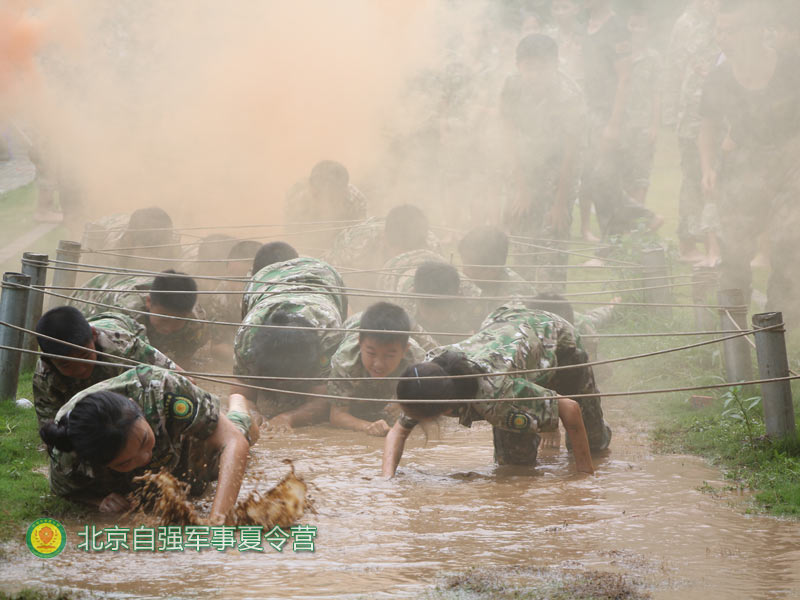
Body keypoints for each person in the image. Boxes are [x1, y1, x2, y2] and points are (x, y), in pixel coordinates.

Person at [382, 304, 607, 477]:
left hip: (556, 338)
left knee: (594, 442)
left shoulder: (496, 396)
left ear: (447, 409)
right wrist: (386, 481)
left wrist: (584, 479)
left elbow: (570, 408)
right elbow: (398, 431)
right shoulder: (426, 379)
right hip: (507, 331)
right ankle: (543, 412)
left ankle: (553, 416)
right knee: (515, 465)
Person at [39, 365, 253, 525]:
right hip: (154, 460)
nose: (144, 458)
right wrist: (99, 501)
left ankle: (238, 404)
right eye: (126, 461)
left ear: (136, 407)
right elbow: (64, 490)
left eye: (143, 441)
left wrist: (217, 522)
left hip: (182, 438)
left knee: (244, 433)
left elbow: (233, 441)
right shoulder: (67, 456)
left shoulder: (160, 388)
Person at [698, 0, 800, 322]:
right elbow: (708, 125)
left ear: (757, 31)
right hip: (741, 169)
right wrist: (707, 168)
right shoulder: (718, 78)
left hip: (790, 166)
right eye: (719, 30)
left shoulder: (790, 66)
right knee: (734, 251)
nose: (723, 37)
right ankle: (732, 328)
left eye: (732, 30)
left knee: (788, 244)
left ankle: (784, 323)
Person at [500, 34, 585, 282]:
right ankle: (522, 299)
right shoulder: (512, 87)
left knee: (552, 237)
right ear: (519, 66)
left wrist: (560, 203)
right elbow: (508, 138)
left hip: (558, 170)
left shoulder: (570, 95)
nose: (535, 74)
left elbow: (572, 152)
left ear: (555, 65)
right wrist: (521, 188)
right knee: (522, 239)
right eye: (529, 67)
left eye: (542, 67)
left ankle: (553, 303)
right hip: (523, 168)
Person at [233, 256, 347, 428]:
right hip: (265, 279)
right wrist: (253, 412)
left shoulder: (329, 333)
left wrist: (289, 418)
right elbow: (240, 396)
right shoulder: (247, 338)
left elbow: (323, 401)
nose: (284, 384)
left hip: (322, 275)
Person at [580, 0, 661, 238]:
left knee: (604, 178)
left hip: (609, 115)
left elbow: (624, 78)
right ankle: (643, 218)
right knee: (596, 179)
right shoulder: (587, 26)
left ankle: (613, 241)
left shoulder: (616, 28)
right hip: (591, 114)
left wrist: (613, 125)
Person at [32, 306, 178, 427]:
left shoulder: (122, 346)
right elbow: (51, 428)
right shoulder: (44, 376)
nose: (80, 369)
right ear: (49, 359)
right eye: (66, 364)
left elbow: (176, 375)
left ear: (94, 336)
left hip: (122, 325)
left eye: (84, 356)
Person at [663, 0, 721, 263]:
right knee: (693, 178)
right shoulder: (686, 23)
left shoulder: (727, 19)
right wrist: (671, 113)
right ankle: (687, 243)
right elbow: (674, 70)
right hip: (692, 115)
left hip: (724, 115)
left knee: (720, 177)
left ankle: (718, 243)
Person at [328, 302, 429, 437]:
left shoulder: (417, 360)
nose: (378, 364)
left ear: (405, 350)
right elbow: (337, 415)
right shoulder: (344, 362)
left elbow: (429, 399)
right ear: (360, 343)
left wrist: (405, 402)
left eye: (389, 355)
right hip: (352, 326)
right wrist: (368, 426)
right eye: (371, 353)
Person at [69, 269, 209, 366]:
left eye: (178, 320)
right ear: (149, 303)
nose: (169, 327)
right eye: (164, 319)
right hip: (96, 295)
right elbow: (115, 358)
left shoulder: (195, 322)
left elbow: (182, 362)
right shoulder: (126, 313)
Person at [619, 3, 663, 206]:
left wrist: (654, 125)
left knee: (641, 174)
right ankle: (622, 219)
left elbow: (656, 93)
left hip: (642, 124)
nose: (635, 30)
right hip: (621, 123)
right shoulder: (619, 54)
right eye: (632, 25)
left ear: (649, 29)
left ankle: (639, 220)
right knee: (622, 172)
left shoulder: (654, 58)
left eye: (641, 26)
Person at [200, 240, 263, 362]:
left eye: (244, 279)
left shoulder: (273, 295)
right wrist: (250, 359)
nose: (236, 286)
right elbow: (218, 345)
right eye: (231, 276)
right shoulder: (221, 296)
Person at [285, 160, 368, 250]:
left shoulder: (356, 201)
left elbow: (358, 237)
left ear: (343, 191)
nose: (324, 200)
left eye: (331, 197)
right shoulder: (297, 196)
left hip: (340, 246)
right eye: (317, 195)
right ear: (311, 185)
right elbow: (292, 232)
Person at [80, 207, 181, 271]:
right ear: (130, 241)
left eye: (161, 250)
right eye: (151, 251)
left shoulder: (172, 245)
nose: (157, 257)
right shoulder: (111, 255)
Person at [457, 226, 536, 299]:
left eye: (471, 268)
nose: (464, 271)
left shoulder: (514, 300)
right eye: (464, 264)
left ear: (493, 270)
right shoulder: (483, 279)